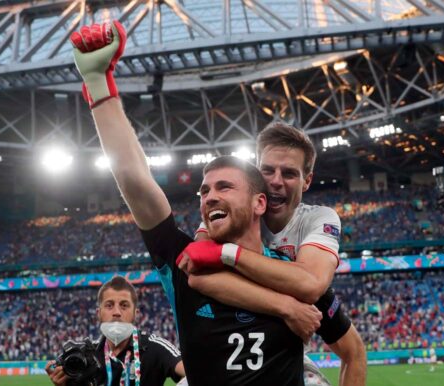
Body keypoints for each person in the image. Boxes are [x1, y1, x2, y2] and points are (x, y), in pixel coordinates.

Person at [70, 22, 325, 385]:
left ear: (259, 203)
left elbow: (351, 347)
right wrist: (98, 82)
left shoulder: (291, 271)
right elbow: (134, 180)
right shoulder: (185, 262)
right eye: (204, 192)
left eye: (225, 187)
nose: (210, 197)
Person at [187, 122, 367, 386]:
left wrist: (229, 253)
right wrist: (287, 307)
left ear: (307, 181)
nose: (275, 181)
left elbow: (311, 285)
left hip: (285, 350)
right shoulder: (230, 210)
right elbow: (197, 274)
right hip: (222, 350)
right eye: (267, 170)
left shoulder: (318, 218)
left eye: (289, 173)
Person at [45, 276, 184, 386]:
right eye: (109, 305)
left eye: (124, 306)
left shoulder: (155, 347)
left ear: (135, 314)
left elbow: (195, 375)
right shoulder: (86, 355)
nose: (116, 312)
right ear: (99, 313)